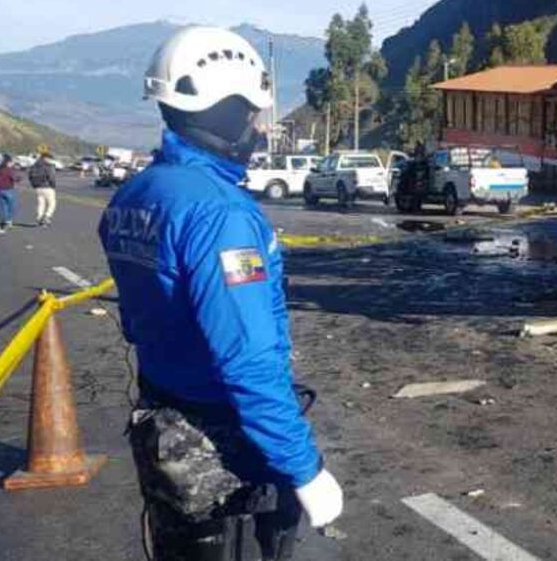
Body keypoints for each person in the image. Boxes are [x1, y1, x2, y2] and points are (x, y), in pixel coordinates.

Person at [98, 27, 341, 561]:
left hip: (163, 419)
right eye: (253, 111)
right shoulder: (221, 213)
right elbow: (248, 362)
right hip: (222, 441)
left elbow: (137, 320)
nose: (258, 126)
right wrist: (305, 468)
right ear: (225, 108)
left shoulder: (135, 194)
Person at [0, 155, 20, 233]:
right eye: (11, 162)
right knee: (12, 206)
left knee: (3, 207)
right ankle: (8, 221)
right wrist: (19, 177)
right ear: (8, 162)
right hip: (8, 190)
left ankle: (3, 221)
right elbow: (14, 178)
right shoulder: (9, 170)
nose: (12, 163)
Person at [28, 152, 58, 227]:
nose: (50, 160)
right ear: (46, 158)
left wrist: (34, 185)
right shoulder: (49, 166)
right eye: (50, 158)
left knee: (41, 203)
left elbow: (30, 176)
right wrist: (53, 185)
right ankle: (47, 216)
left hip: (37, 187)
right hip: (47, 187)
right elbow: (52, 177)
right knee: (52, 203)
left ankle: (39, 217)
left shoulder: (34, 165)